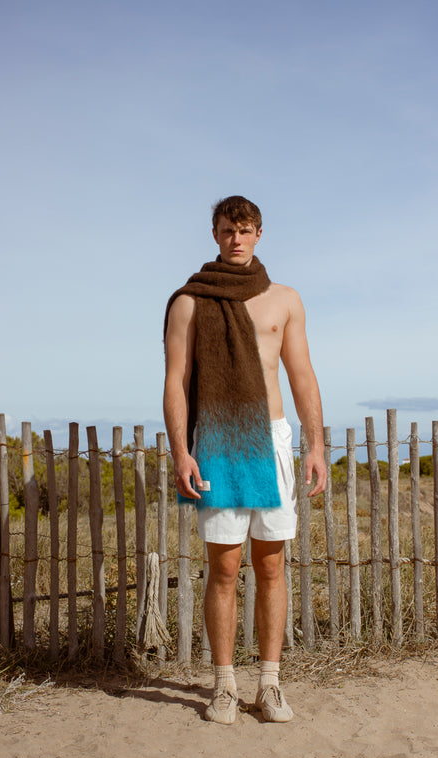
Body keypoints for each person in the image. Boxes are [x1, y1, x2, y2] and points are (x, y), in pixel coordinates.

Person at [163, 195, 326, 724]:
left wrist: (316, 445)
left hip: (272, 439)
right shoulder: (190, 301)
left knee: (272, 566)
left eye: (246, 229)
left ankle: (270, 684)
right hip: (217, 443)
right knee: (224, 568)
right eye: (228, 230)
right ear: (215, 234)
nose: (237, 238)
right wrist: (182, 452)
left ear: (259, 234)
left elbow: (302, 375)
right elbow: (176, 382)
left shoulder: (284, 300)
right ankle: (225, 686)